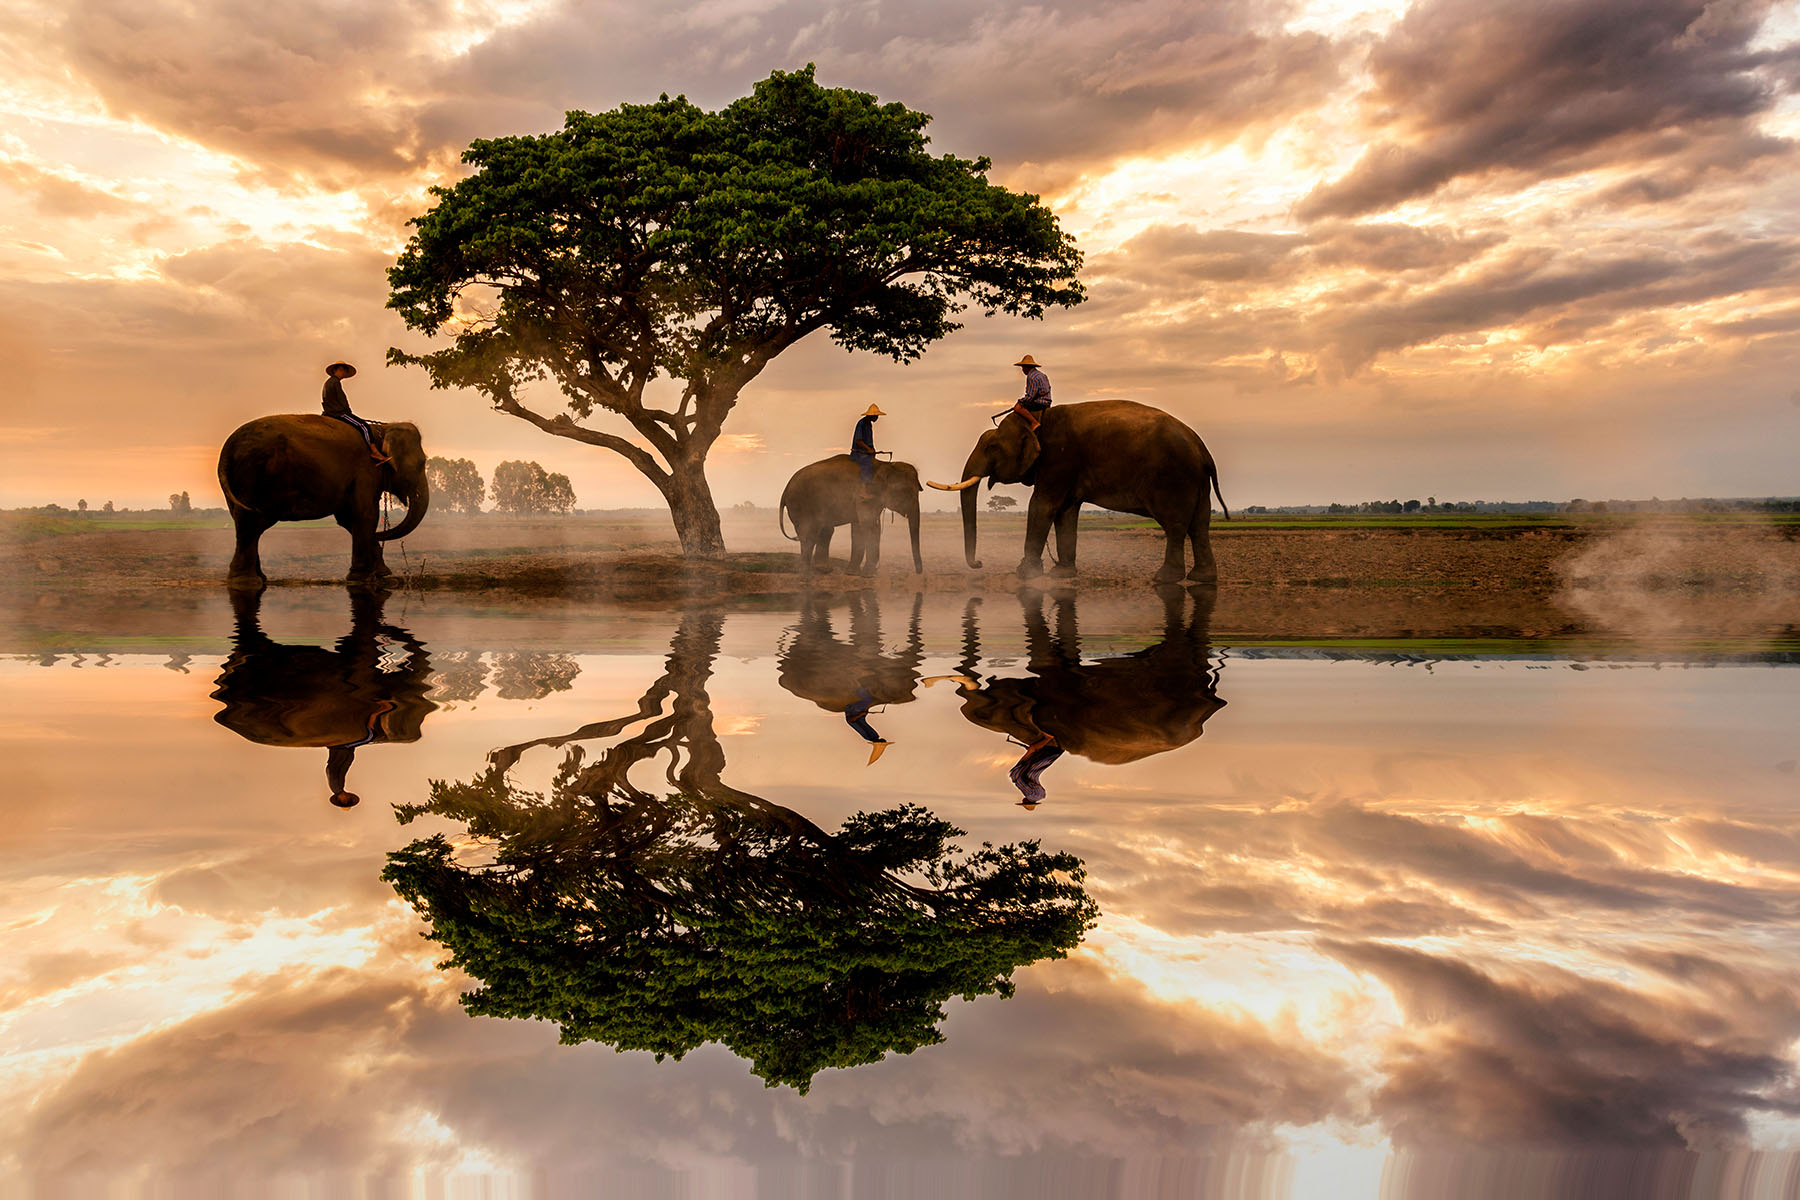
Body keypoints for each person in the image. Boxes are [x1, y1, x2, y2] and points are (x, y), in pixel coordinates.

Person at [322, 362, 387, 462]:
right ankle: (374, 452)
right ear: (338, 370)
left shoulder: (328, 383)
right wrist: (348, 413)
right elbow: (342, 400)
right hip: (338, 413)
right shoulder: (335, 382)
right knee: (364, 426)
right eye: (344, 371)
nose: (344, 373)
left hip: (329, 411)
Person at [850, 403, 885, 498]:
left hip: (867, 452)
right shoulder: (861, 424)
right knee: (867, 465)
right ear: (872, 416)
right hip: (859, 453)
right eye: (876, 416)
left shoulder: (868, 424)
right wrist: (868, 449)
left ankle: (871, 488)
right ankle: (863, 490)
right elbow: (858, 440)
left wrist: (872, 450)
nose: (877, 418)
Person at [1012, 354, 1051, 428]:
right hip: (1048, 402)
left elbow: (1030, 396)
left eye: (1023, 367)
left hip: (1040, 403)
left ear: (1027, 367)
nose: (1022, 370)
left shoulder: (1031, 377)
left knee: (1017, 408)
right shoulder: (1042, 375)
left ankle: (1034, 422)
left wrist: (1020, 401)